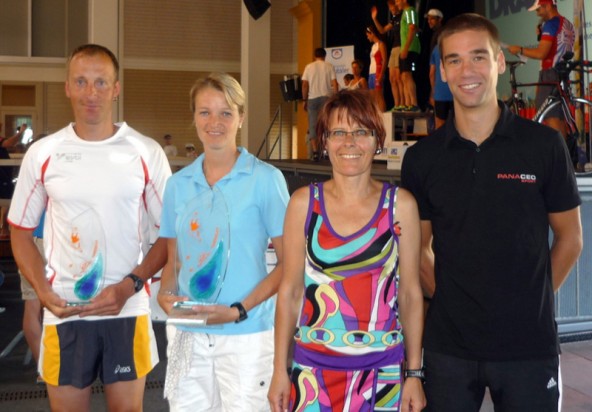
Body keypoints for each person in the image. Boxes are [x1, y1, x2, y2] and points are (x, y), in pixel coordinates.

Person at [401, 14, 583, 412]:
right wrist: (452, 296)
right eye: (454, 60)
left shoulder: (545, 145)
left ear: (499, 62)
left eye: (479, 57)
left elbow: (570, 238)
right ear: (442, 71)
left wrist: (529, 298)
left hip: (528, 346)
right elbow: (417, 248)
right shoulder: (422, 159)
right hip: (449, 348)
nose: (468, 71)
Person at [8, 44, 172, 412]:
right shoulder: (44, 153)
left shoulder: (145, 152)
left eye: (101, 82)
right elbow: (19, 232)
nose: (90, 92)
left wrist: (130, 284)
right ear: (67, 86)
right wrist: (43, 291)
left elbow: (169, 234)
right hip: (66, 308)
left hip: (127, 309)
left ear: (116, 88)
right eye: (81, 81)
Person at [268, 89, 426, 412]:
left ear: (377, 140)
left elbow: (410, 294)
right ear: (323, 141)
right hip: (313, 374)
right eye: (338, 132)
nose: (349, 142)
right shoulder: (303, 204)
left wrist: (414, 373)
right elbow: (290, 292)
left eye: (361, 132)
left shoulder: (400, 206)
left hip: (383, 376)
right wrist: (279, 370)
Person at [157, 72, 289, 411]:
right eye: (205, 112)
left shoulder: (265, 180)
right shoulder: (178, 184)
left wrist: (238, 310)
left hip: (247, 335)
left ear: (241, 117)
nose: (214, 122)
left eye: (226, 112)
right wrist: (165, 294)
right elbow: (174, 260)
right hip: (189, 332)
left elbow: (291, 264)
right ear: (194, 117)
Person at [508, 0, 574, 135]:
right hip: (562, 74)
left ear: (548, 6)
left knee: (551, 117)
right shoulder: (567, 23)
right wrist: (541, 35)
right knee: (559, 118)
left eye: (539, 10)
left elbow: (541, 53)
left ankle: (558, 154)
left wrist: (519, 49)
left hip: (550, 74)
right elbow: (556, 48)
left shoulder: (551, 24)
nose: (537, 14)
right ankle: (563, 154)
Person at [18, 210, 46, 385]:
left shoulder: (29, 181)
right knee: (67, 303)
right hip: (61, 239)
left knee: (32, 305)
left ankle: (43, 369)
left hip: (29, 241)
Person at [302, 47, 338, 161]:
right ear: (325, 56)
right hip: (326, 98)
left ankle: (315, 151)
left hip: (312, 98)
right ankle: (326, 150)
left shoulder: (309, 67)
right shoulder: (329, 66)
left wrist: (304, 100)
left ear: (314, 56)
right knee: (326, 124)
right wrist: (336, 98)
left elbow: (304, 85)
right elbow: (334, 84)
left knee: (312, 124)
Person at [371, 0, 404, 110]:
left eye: (393, 7)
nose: (392, 10)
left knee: (399, 78)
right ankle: (397, 104)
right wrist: (375, 19)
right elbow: (382, 30)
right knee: (392, 78)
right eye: (390, 9)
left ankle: (403, 104)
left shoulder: (404, 15)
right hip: (394, 48)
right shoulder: (394, 19)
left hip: (401, 46)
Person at [0, 123, 27, 238]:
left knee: (5, 202)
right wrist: (20, 132)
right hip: (2, 178)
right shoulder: (1, 141)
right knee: (6, 201)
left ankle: (4, 229)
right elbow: (9, 143)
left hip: (4, 177)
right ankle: (4, 229)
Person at [396, 0, 421, 112]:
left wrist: (406, 48)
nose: (396, 3)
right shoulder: (404, 12)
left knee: (407, 75)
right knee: (403, 76)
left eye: (397, 0)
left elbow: (412, 28)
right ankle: (407, 104)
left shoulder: (410, 11)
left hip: (411, 48)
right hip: (405, 49)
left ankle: (414, 104)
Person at [429, 40, 453, 129]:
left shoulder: (436, 49)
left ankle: (441, 143)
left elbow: (432, 74)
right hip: (455, 93)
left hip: (440, 94)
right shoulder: (456, 46)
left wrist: (433, 92)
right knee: (457, 125)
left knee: (439, 125)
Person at [366, 25, 388, 112]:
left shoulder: (381, 44)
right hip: (371, 73)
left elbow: (385, 60)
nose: (367, 37)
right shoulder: (373, 46)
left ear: (372, 34)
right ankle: (376, 118)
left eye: (368, 35)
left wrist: (381, 75)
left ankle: (383, 119)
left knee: (379, 96)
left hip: (378, 73)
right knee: (372, 98)